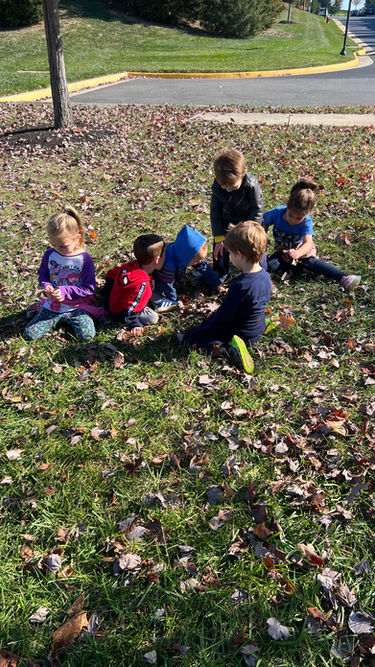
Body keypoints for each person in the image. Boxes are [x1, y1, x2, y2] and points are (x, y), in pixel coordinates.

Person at [181, 221, 271, 373]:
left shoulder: (241, 285)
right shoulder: (265, 276)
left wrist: (208, 322)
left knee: (192, 336)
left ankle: (228, 349)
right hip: (257, 329)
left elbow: (224, 317)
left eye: (231, 254)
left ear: (239, 255)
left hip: (241, 334)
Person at [263, 180, 361, 292]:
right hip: (284, 251)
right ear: (287, 206)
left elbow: (307, 243)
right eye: (291, 215)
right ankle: (295, 269)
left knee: (310, 262)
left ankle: (343, 276)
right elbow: (263, 222)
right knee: (271, 265)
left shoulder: (306, 222)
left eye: (298, 218)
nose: (293, 220)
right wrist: (263, 235)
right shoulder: (277, 213)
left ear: (307, 213)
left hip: (302, 251)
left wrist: (297, 253)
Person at [24, 207, 103, 341]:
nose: (59, 249)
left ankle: (73, 317)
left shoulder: (84, 259)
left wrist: (65, 291)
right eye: (54, 245)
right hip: (53, 305)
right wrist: (46, 286)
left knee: (87, 336)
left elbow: (89, 288)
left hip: (76, 307)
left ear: (77, 238)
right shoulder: (50, 254)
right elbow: (43, 274)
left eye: (64, 246)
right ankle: (45, 310)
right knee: (29, 335)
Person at [210, 149, 264, 280]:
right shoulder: (217, 186)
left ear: (243, 174)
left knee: (252, 247)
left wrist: (251, 230)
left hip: (248, 221)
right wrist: (219, 237)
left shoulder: (251, 185)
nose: (228, 190)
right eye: (224, 187)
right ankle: (221, 272)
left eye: (233, 187)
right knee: (220, 249)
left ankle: (259, 272)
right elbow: (215, 212)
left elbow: (257, 209)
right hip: (227, 220)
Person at [152, 224, 222, 313]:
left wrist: (217, 283)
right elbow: (167, 285)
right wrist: (175, 301)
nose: (200, 261)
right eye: (198, 260)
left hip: (175, 269)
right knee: (158, 288)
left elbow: (203, 267)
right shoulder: (167, 265)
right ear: (185, 257)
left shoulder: (186, 255)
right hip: (158, 279)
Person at [104, 233, 165, 334]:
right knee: (153, 318)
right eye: (164, 255)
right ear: (157, 260)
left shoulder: (132, 265)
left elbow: (111, 274)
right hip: (121, 311)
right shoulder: (142, 284)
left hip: (118, 300)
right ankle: (147, 306)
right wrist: (134, 324)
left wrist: (107, 291)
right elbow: (130, 307)